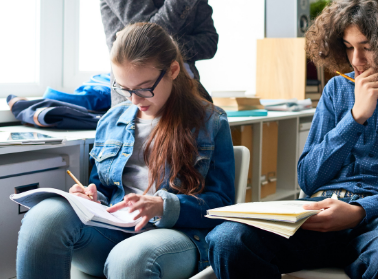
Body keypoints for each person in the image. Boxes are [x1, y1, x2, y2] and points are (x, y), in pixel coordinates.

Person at [206, 0, 378, 279]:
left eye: (367, 48)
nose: (356, 61)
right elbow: (309, 177)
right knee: (227, 240)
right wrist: (355, 117)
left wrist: (359, 210)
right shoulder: (339, 88)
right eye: (350, 47)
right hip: (319, 209)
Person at [16, 22, 235, 279]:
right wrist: (90, 198)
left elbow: (222, 207)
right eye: (124, 89)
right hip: (114, 231)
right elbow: (105, 188)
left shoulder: (211, 122)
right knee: (44, 218)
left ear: (173, 70)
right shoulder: (112, 120)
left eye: (143, 88)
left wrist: (163, 206)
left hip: (179, 236)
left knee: (129, 259)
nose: (134, 100)